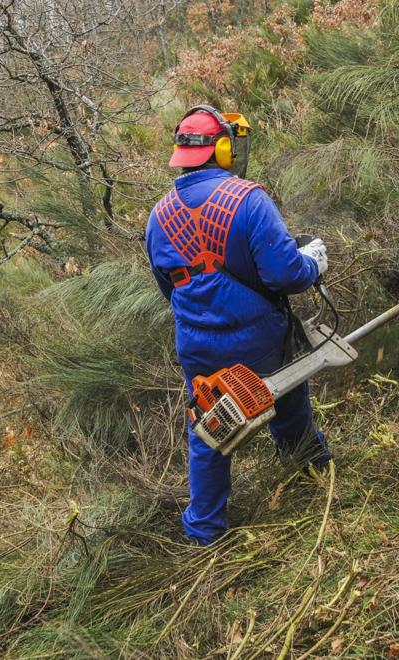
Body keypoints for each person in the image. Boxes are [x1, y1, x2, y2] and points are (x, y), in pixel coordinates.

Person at [145, 105, 331, 545]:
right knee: (285, 394)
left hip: (197, 346)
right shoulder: (248, 199)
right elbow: (286, 275)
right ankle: (309, 468)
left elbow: (167, 287)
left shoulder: (158, 216)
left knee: (207, 428)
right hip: (259, 337)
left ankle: (204, 528)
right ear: (223, 150)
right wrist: (312, 263)